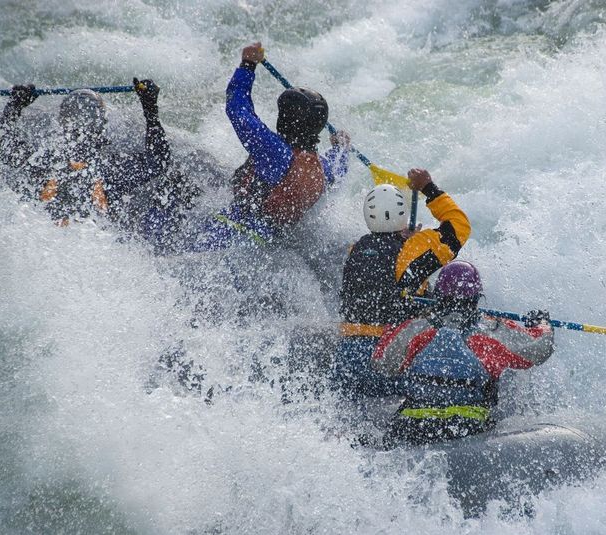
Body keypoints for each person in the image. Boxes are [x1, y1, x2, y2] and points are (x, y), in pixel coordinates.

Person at [370, 260, 554, 447]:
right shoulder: (491, 330)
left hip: (412, 423)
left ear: (438, 295)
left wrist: (394, 325)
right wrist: (542, 324)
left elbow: (382, 362)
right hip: (467, 426)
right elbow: (539, 349)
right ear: (476, 297)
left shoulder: (417, 327)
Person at [197, 41, 350, 249]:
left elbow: (238, 110)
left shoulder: (274, 152)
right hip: (272, 243)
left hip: (233, 235)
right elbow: (339, 164)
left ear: (285, 119)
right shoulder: (322, 168)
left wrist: (247, 65)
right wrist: (342, 146)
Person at [334, 168, 471, 398]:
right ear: (401, 214)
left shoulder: (355, 249)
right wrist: (429, 188)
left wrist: (405, 238)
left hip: (348, 355)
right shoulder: (413, 248)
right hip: (389, 353)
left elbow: (384, 260)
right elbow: (459, 227)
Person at [0, 80, 176, 231]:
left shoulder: (42, 161)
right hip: (94, 250)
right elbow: (159, 161)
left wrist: (14, 106)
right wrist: (150, 109)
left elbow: (3, 144)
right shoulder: (111, 169)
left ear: (62, 124)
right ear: (101, 128)